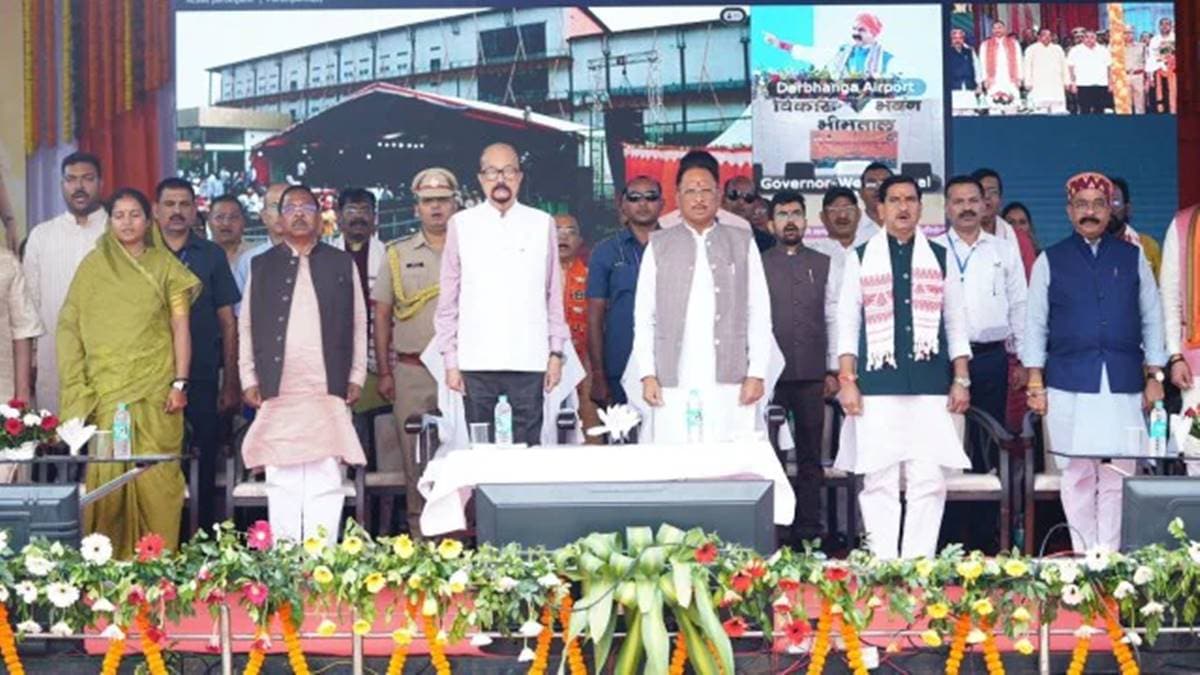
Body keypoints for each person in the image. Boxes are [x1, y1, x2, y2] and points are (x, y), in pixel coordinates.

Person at [1023, 172, 1165, 552]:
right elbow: (1034, 323)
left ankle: (1110, 555)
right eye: (1082, 205)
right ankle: (1086, 553)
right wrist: (1035, 382)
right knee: (1078, 471)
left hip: (1123, 381)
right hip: (1069, 381)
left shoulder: (1132, 257)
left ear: (1110, 210)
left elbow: (1152, 317)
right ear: (1069, 211)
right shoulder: (1049, 260)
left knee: (1120, 469)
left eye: (1098, 205)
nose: (1090, 212)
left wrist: (1156, 374)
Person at [835, 175, 972, 560]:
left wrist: (960, 378)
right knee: (878, 478)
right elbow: (848, 324)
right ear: (879, 209)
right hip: (877, 386)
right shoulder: (860, 257)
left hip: (930, 385)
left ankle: (918, 564)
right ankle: (883, 564)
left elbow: (956, 323)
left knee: (927, 479)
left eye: (910, 199)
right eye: (894, 200)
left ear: (920, 207)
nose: (903, 207)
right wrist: (848, 381)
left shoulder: (940, 257)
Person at [58, 187, 200, 559]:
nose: (126, 222)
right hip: (107, 392)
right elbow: (70, 326)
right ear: (110, 221)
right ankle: (106, 567)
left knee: (157, 479)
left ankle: (157, 567)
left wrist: (179, 382)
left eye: (134, 214)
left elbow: (180, 328)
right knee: (108, 478)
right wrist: (80, 386)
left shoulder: (166, 266)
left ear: (148, 219)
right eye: (118, 215)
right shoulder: (93, 267)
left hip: (156, 392)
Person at [239, 184, 367, 545]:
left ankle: (322, 561)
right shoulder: (261, 265)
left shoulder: (341, 261)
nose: (298, 213)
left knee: (326, 474)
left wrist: (356, 374)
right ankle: (285, 561)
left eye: (306, 207)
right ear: (279, 218)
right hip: (278, 385)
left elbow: (360, 321)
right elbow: (245, 324)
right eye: (290, 207)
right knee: (281, 476)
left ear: (320, 217)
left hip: (327, 385)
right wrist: (248, 375)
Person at [434, 142, 568, 446]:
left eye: (508, 171)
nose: (501, 179)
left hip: (529, 360)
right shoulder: (462, 224)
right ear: (481, 179)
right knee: (482, 451)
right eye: (492, 172)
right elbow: (448, 301)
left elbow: (552, 295)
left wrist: (556, 353)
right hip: (476, 362)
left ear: (519, 177)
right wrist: (451, 360)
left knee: (526, 452)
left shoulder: (541, 223)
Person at [633, 149, 771, 443]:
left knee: (731, 462)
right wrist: (647, 374)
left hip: (730, 376)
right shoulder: (659, 245)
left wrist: (757, 373)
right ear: (677, 195)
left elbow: (759, 312)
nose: (699, 198)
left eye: (706, 190)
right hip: (673, 376)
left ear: (718, 195)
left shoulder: (741, 242)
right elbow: (644, 317)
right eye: (691, 191)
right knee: (676, 459)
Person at [154, 178, 241, 531]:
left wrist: (230, 382)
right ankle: (160, 538)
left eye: (184, 205)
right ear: (156, 211)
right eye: (169, 204)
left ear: (194, 211)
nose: (176, 211)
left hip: (204, 376)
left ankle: (202, 539)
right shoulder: (141, 253)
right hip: (153, 376)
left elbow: (228, 323)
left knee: (205, 460)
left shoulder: (211, 255)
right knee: (159, 460)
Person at [374, 168, 456, 536]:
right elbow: (382, 315)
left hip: (462, 374)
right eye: (428, 201)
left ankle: (464, 540)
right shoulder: (397, 254)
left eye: (442, 200)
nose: (436, 208)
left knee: (462, 457)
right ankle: (420, 542)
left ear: (456, 203)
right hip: (413, 373)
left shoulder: (474, 247)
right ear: (416, 207)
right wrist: (387, 374)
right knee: (415, 463)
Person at [762, 190, 838, 542]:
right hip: (770, 377)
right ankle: (775, 533)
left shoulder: (824, 262)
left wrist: (833, 369)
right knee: (771, 456)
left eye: (795, 213)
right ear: (770, 222)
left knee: (810, 459)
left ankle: (811, 533)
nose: (789, 220)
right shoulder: (758, 263)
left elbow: (834, 318)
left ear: (806, 221)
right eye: (782, 214)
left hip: (811, 374)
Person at [933, 176, 1026, 425]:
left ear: (984, 205)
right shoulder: (932, 250)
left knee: (990, 434)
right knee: (946, 433)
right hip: (943, 360)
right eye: (959, 201)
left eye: (973, 200)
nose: (966, 208)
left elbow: (1019, 305)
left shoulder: (1004, 250)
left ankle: (988, 467)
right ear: (947, 208)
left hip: (991, 357)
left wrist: (1022, 360)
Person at [24, 152, 108, 411]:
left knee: (106, 441)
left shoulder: (116, 231)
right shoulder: (42, 235)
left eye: (87, 179)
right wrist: (31, 357)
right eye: (71, 180)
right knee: (56, 437)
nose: (79, 187)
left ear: (100, 183)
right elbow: (30, 302)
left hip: (109, 351)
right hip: (53, 355)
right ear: (62, 185)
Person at [587, 176, 662, 406]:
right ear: (623, 204)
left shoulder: (675, 246)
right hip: (619, 365)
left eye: (651, 197)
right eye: (634, 197)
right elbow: (594, 318)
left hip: (668, 367)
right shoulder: (605, 251)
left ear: (663, 203)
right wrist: (598, 375)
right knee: (622, 439)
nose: (643, 203)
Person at [331, 188, 388, 416]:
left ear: (374, 218)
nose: (358, 217)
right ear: (338, 216)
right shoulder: (322, 256)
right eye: (351, 210)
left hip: (376, 361)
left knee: (378, 430)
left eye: (365, 210)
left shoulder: (388, 256)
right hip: (336, 362)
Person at [1159, 201, 1200, 476]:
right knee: (1197, 455)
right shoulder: (1185, 224)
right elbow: (1170, 299)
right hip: (1196, 365)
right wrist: (1174, 355)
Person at [556, 214, 600, 442]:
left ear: (580, 240)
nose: (563, 236)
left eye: (570, 231)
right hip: (546, 365)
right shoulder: (534, 276)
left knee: (588, 420)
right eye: (557, 230)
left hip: (585, 363)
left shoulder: (592, 276)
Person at [763, 12, 894, 78]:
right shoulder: (842, 53)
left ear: (874, 33)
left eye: (861, 30)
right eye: (854, 29)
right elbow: (809, 53)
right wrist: (779, 44)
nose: (855, 34)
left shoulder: (887, 59)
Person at [971, 168, 1037, 277]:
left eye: (993, 192)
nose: (987, 197)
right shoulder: (959, 239)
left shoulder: (1019, 239)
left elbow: (1032, 284)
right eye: (981, 191)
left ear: (1000, 199)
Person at [233, 183, 288, 300]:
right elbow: (240, 311)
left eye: (287, 206)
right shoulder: (249, 260)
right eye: (274, 206)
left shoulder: (316, 258)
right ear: (263, 216)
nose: (281, 213)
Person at [1107, 177, 1162, 278]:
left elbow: (1162, 291)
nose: (1109, 209)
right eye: (1102, 202)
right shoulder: (1081, 248)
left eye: (1115, 202)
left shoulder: (1149, 247)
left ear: (1127, 209)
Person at [811, 187, 871, 256]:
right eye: (833, 210)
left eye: (848, 209)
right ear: (822, 217)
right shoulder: (813, 253)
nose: (842, 216)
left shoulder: (873, 250)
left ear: (859, 214)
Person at [723, 176, 776, 252]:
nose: (741, 202)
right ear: (723, 199)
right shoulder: (708, 235)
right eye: (734, 195)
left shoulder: (767, 242)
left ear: (755, 203)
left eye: (748, 197)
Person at [1023, 28, 1069, 114]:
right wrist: (1027, 82)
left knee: (1058, 111)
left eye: (1049, 35)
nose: (1047, 37)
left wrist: (1066, 81)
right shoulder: (1031, 49)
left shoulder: (1058, 49)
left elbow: (1064, 66)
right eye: (1044, 35)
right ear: (1039, 37)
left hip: (1056, 85)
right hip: (1038, 85)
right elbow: (1027, 66)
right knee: (1039, 111)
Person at [1068, 31, 1114, 115]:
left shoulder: (1103, 50)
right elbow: (1071, 68)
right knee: (1084, 109)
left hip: (1101, 84)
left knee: (1100, 109)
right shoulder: (1075, 50)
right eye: (1087, 37)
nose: (1089, 39)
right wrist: (1073, 83)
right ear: (1083, 38)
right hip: (1083, 85)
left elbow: (1109, 67)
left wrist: (1110, 83)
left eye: (1092, 37)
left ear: (1095, 38)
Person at [980, 21, 1023, 104]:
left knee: (1013, 103)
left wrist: (1020, 78)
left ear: (1004, 29)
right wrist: (985, 79)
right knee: (993, 103)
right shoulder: (985, 44)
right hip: (993, 79)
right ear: (992, 30)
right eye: (995, 28)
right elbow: (983, 63)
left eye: (999, 27)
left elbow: (1019, 61)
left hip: (1010, 78)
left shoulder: (1014, 43)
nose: (997, 30)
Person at [209, 194, 252, 266]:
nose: (226, 223)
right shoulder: (197, 256)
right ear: (209, 221)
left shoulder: (256, 256)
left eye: (234, 217)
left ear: (243, 221)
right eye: (219, 217)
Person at [857, 162, 892, 244]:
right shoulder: (850, 231)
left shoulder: (907, 227)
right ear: (861, 192)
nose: (878, 188)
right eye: (871, 184)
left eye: (884, 183)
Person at [1147, 18, 1175, 114]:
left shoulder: (1175, 38)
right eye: (1162, 24)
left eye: (1167, 24)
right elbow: (1151, 57)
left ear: (1171, 26)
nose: (1164, 26)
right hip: (1158, 72)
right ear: (1159, 26)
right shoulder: (1155, 40)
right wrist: (1150, 77)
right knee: (1160, 99)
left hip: (1174, 73)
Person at [1122, 30, 1148, 114]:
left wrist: (1147, 80)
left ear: (1134, 34)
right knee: (1125, 103)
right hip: (1124, 76)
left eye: (1130, 32)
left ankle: (1140, 124)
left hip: (1138, 76)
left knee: (1140, 103)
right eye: (1125, 33)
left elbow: (1147, 63)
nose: (1128, 35)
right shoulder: (1118, 48)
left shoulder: (1142, 46)